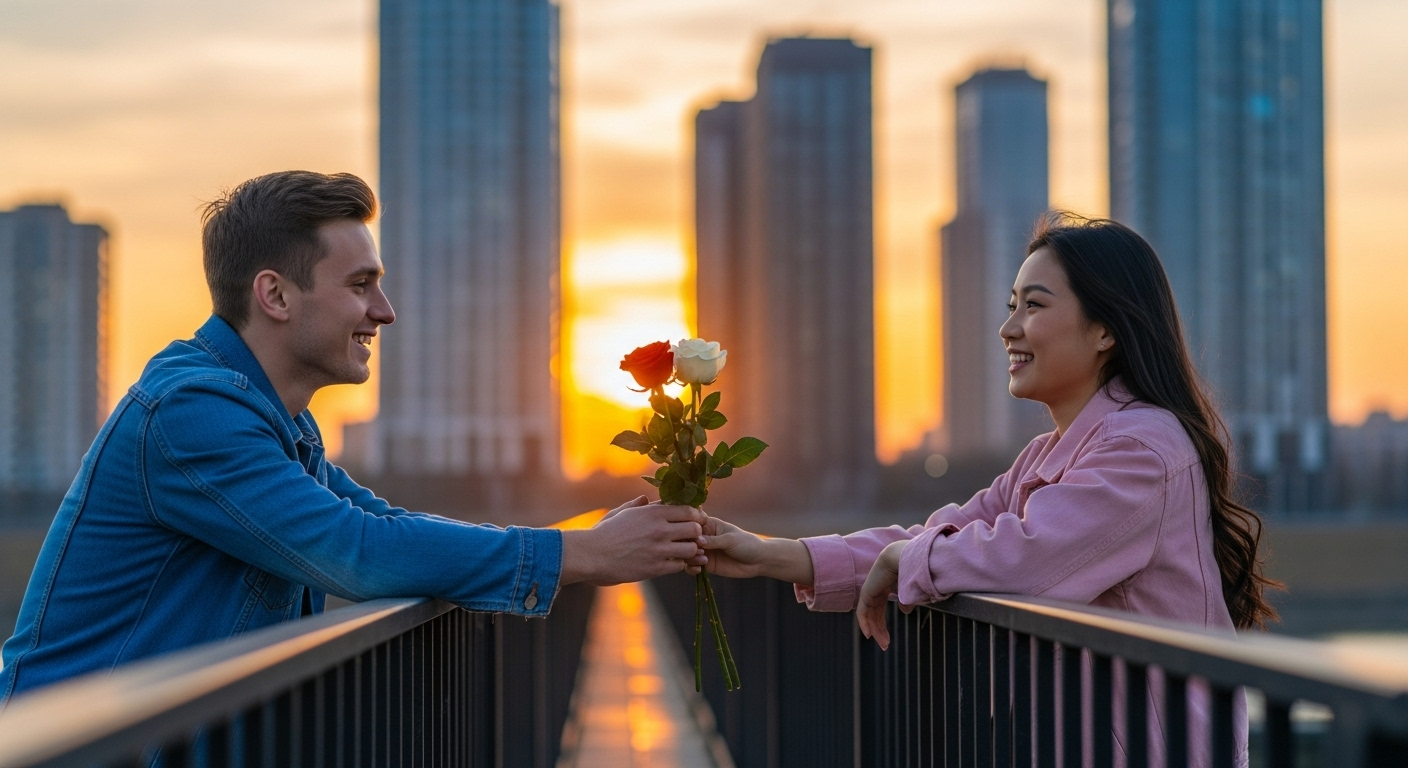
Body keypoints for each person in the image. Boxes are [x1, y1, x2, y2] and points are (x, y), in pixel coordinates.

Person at [0, 171, 707, 706]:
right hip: (75, 750)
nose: (385, 311)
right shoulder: (193, 414)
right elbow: (356, 552)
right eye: (361, 284)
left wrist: (575, 541)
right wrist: (580, 554)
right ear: (275, 296)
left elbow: (379, 521)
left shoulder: (274, 419)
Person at [699, 213, 1275, 765]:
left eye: (1034, 305)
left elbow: (1023, 558)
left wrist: (905, 559)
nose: (1008, 328)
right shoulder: (1050, 454)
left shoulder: (1141, 449)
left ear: (1105, 330)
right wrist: (769, 555)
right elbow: (944, 537)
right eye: (1011, 306)